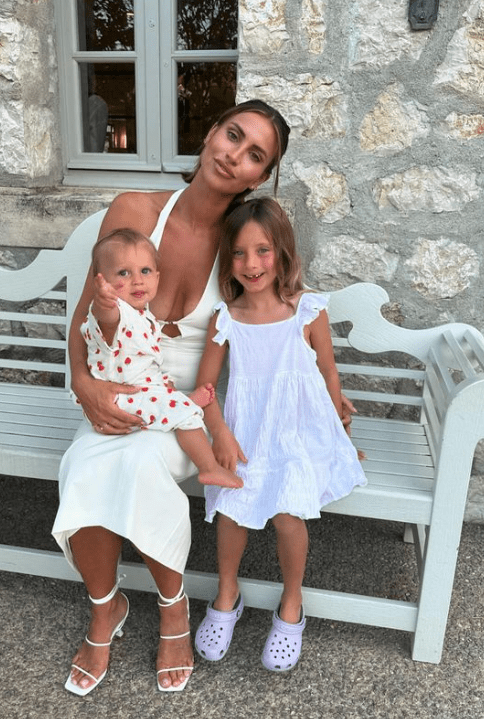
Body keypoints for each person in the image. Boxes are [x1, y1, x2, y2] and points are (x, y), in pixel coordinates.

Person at [52, 99, 294, 695]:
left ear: (259, 176)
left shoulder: (246, 241)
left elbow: (279, 320)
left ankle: (172, 608)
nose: (234, 154)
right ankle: (105, 607)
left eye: (254, 155)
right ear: (212, 132)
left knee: (138, 462)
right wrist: (85, 387)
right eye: (232, 135)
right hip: (116, 387)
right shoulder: (136, 210)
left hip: (185, 408)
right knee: (84, 463)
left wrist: (314, 404)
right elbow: (86, 314)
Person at [193, 197, 367, 672]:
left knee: (290, 514)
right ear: (227, 259)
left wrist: (338, 427)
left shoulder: (307, 311)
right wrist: (221, 436)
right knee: (231, 512)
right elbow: (205, 390)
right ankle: (227, 592)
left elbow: (328, 375)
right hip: (247, 435)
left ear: (283, 251)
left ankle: (292, 603)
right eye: (240, 253)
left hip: (297, 434)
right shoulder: (225, 319)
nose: (252, 264)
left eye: (263, 250)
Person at [82, 227, 242, 489]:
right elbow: (106, 320)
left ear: (157, 277)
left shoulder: (143, 314)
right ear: (103, 282)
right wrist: (103, 302)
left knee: (168, 393)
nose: (137, 280)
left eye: (145, 271)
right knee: (187, 416)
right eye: (123, 273)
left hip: (141, 390)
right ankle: (209, 468)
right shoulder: (117, 313)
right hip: (119, 401)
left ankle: (180, 400)